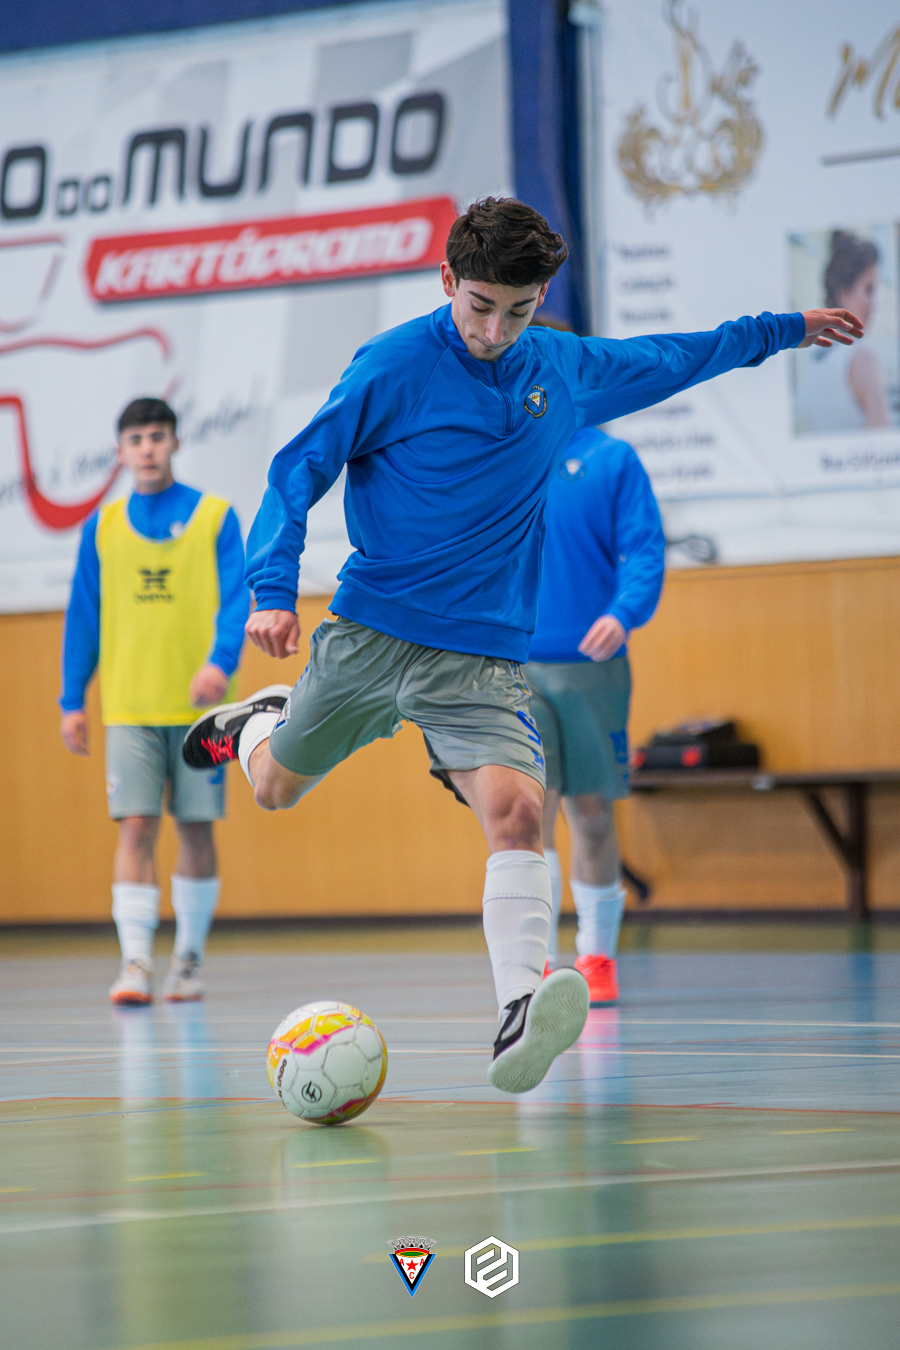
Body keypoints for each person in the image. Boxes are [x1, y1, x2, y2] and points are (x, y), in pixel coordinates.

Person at [182, 197, 861, 1094]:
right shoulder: (392, 366)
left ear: (541, 300)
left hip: (482, 658)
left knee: (517, 815)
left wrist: (783, 330)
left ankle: (517, 1010)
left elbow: (675, 357)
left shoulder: (559, 367)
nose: (497, 331)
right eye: (480, 306)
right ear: (447, 281)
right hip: (373, 633)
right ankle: (257, 725)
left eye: (519, 309)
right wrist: (273, 589)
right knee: (273, 788)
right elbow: (296, 469)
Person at [60, 398, 249, 1006]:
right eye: (137, 438)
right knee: (136, 825)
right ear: (119, 452)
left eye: (158, 436)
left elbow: (237, 598)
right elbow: (83, 615)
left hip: (202, 714)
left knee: (195, 829)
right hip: (130, 708)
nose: (148, 448)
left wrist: (220, 663)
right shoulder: (102, 527)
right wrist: (72, 698)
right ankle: (136, 963)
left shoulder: (216, 517)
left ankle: (187, 962)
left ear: (175, 443)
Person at [525, 426, 665, 1006]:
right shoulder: (497, 447)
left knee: (591, 815)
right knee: (528, 814)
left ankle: (598, 958)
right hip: (510, 664)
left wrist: (623, 612)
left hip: (592, 666)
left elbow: (644, 547)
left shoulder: (611, 458)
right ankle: (533, 963)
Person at [795, 230, 891, 432]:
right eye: (869, 289)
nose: (875, 302)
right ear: (844, 294)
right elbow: (883, 439)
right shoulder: (863, 359)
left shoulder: (815, 361)